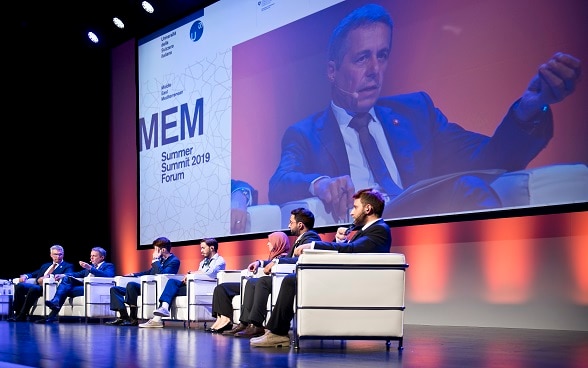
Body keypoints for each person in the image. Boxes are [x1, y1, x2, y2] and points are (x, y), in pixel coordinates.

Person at [268, 3, 582, 222]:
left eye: (383, 55)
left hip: (422, 225)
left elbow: (490, 158)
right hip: (361, 228)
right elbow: (281, 181)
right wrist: (320, 183)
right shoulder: (306, 133)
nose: (376, 71)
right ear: (333, 71)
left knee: (470, 185)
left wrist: (528, 108)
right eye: (362, 58)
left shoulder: (416, 112)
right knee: (466, 188)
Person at [250, 188, 392, 347]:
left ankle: (277, 333)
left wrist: (313, 245)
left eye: (355, 207)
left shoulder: (379, 230)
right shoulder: (369, 231)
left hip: (355, 285)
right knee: (292, 280)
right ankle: (276, 332)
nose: (352, 213)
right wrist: (341, 241)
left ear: (368, 209)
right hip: (349, 279)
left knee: (292, 281)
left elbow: (353, 250)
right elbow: (353, 250)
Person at [224, 209, 322, 338]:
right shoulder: (300, 239)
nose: (288, 225)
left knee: (263, 281)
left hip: (296, 278)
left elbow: (301, 259)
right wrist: (260, 262)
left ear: (300, 225)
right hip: (286, 275)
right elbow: (288, 258)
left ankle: (257, 324)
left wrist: (276, 262)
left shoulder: (311, 237)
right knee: (252, 282)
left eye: (291, 222)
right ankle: (245, 323)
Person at [205, 231, 292, 335]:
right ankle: (223, 319)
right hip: (254, 282)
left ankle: (245, 323)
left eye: (270, 242)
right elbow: (265, 264)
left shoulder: (284, 259)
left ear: (278, 243)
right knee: (221, 288)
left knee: (249, 283)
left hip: (261, 283)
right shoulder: (273, 257)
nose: (267, 244)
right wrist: (259, 262)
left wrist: (261, 264)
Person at [139, 238, 226, 328]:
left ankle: (157, 319)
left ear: (211, 248)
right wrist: (189, 276)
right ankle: (163, 309)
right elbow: (200, 273)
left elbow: (210, 272)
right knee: (172, 283)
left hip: (204, 287)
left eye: (203, 248)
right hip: (195, 285)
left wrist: (191, 273)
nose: (201, 251)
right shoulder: (203, 262)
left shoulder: (219, 260)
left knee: (171, 290)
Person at [106, 236, 180, 326]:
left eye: (155, 249)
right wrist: (134, 274)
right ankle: (123, 317)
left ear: (163, 250)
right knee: (115, 289)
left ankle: (133, 318)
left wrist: (155, 260)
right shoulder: (160, 259)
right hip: (146, 285)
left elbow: (163, 274)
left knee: (131, 285)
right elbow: (150, 271)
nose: (154, 252)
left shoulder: (174, 261)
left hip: (154, 287)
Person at [35, 247, 116, 324]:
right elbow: (77, 274)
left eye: (94, 256)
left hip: (95, 289)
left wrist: (90, 268)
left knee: (64, 290)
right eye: (91, 256)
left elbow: (108, 275)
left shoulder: (108, 266)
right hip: (85, 288)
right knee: (66, 281)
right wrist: (63, 275)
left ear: (102, 257)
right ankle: (53, 311)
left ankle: (52, 313)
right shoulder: (90, 267)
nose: (91, 258)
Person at [8, 245, 74, 322]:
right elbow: (35, 273)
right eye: (56, 254)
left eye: (60, 254)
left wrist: (49, 276)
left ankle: (22, 314)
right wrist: (26, 276)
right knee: (20, 286)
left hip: (49, 288)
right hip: (38, 286)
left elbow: (67, 276)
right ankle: (17, 313)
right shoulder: (46, 265)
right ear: (51, 255)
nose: (58, 256)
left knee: (33, 288)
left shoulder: (68, 266)